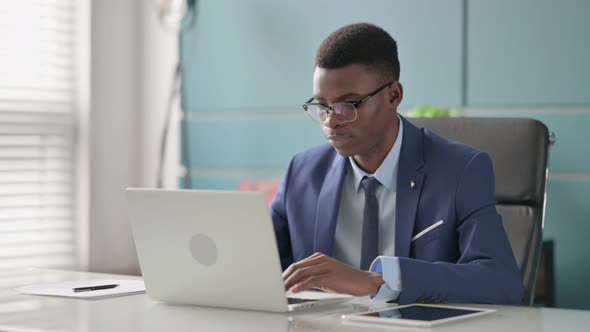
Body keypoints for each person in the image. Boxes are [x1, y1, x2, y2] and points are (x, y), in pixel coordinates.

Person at [271, 23, 524, 304]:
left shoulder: (462, 170)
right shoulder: (303, 172)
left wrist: (376, 281)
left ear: (394, 95)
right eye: (322, 106)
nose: (331, 121)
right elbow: (259, 266)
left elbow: (501, 282)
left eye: (349, 105)